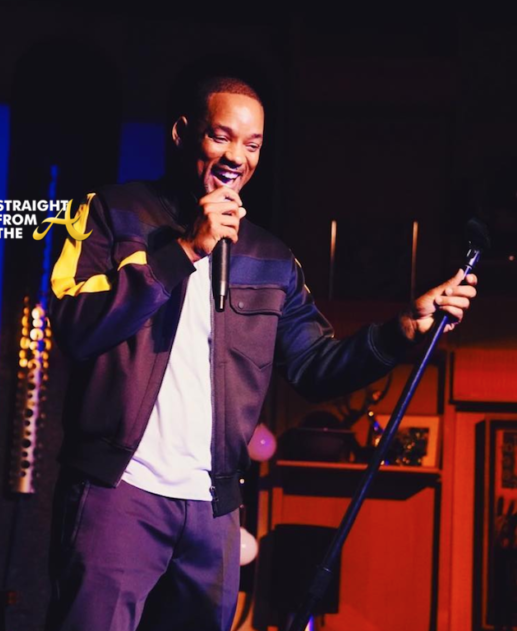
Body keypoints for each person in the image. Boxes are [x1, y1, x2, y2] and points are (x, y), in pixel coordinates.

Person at [44, 75, 477, 631]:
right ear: (181, 133)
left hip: (212, 509)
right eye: (221, 136)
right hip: (118, 493)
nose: (236, 158)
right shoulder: (112, 212)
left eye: (252, 145)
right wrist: (184, 250)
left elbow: (314, 367)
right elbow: (76, 325)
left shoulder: (271, 258)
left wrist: (401, 331)